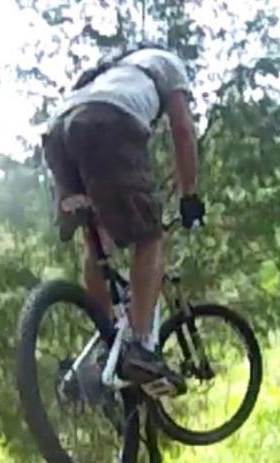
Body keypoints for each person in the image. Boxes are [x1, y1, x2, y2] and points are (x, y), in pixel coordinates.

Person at [40, 42, 205, 386]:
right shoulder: (167, 61)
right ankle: (140, 348)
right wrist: (189, 196)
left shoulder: (109, 71)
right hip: (107, 123)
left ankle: (106, 343)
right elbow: (183, 130)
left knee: (96, 242)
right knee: (149, 237)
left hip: (59, 133)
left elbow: (77, 117)